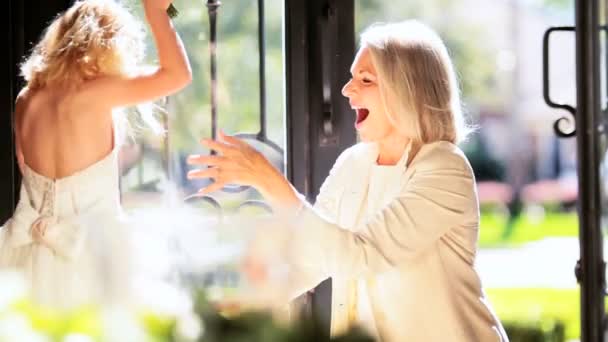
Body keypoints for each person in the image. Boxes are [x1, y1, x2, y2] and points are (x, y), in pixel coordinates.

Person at [187, 20, 508, 341]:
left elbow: (362, 256)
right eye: (351, 78)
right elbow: (311, 258)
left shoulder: (444, 168)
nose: (346, 90)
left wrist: (270, 181)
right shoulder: (354, 163)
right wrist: (237, 301)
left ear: (407, 90)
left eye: (365, 79)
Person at [0, 0, 191, 308]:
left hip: (24, 255)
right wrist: (157, 11)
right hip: (92, 255)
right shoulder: (97, 93)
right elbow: (177, 76)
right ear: (110, 45)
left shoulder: (26, 98)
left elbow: (25, 162)